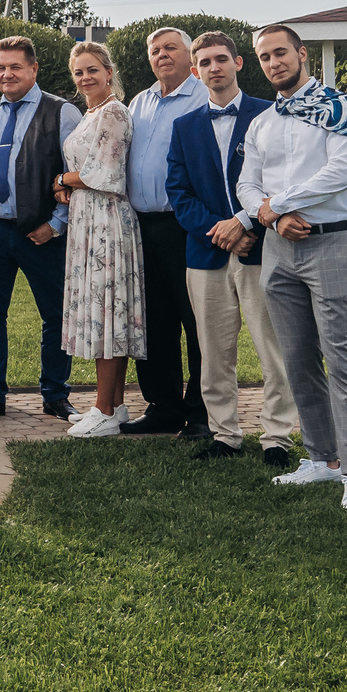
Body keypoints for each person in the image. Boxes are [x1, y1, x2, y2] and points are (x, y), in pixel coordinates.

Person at [237, 24, 347, 509]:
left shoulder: (341, 109)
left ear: (301, 54)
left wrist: (279, 207)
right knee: (297, 359)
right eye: (265, 57)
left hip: (332, 244)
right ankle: (322, 458)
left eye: (281, 53)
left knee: (342, 359)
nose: (274, 62)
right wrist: (271, 216)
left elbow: (343, 171)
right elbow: (246, 187)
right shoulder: (263, 122)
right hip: (279, 250)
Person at [167, 31, 298, 464]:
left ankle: (277, 437)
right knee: (213, 350)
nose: (214, 68)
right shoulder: (183, 127)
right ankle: (225, 434)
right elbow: (178, 192)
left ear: (238, 63)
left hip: (261, 250)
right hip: (205, 255)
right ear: (195, 71)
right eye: (204, 62)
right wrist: (218, 230)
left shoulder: (269, 114)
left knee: (271, 346)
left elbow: (280, 182)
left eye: (221, 59)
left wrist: (245, 227)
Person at [0, 35, 83, 423]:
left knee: (56, 315)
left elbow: (77, 177)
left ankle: (55, 395)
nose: (7, 74)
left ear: (34, 69)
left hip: (41, 232)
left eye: (15, 67)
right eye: (0, 68)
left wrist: (56, 225)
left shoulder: (62, 113)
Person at [53, 41, 145, 436]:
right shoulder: (89, 114)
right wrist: (67, 186)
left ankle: (104, 409)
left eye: (92, 69)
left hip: (107, 221)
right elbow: (83, 170)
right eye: (78, 72)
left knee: (109, 311)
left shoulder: (114, 112)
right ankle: (115, 406)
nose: (85, 77)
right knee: (101, 312)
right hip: (85, 218)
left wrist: (60, 180)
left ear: (109, 72)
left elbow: (104, 172)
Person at [123, 27, 209, 436]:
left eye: (170, 48)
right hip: (143, 225)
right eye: (155, 50)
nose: (162, 55)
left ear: (189, 54)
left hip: (186, 225)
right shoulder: (139, 102)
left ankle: (203, 411)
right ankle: (163, 406)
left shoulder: (204, 96)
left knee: (195, 320)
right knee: (152, 321)